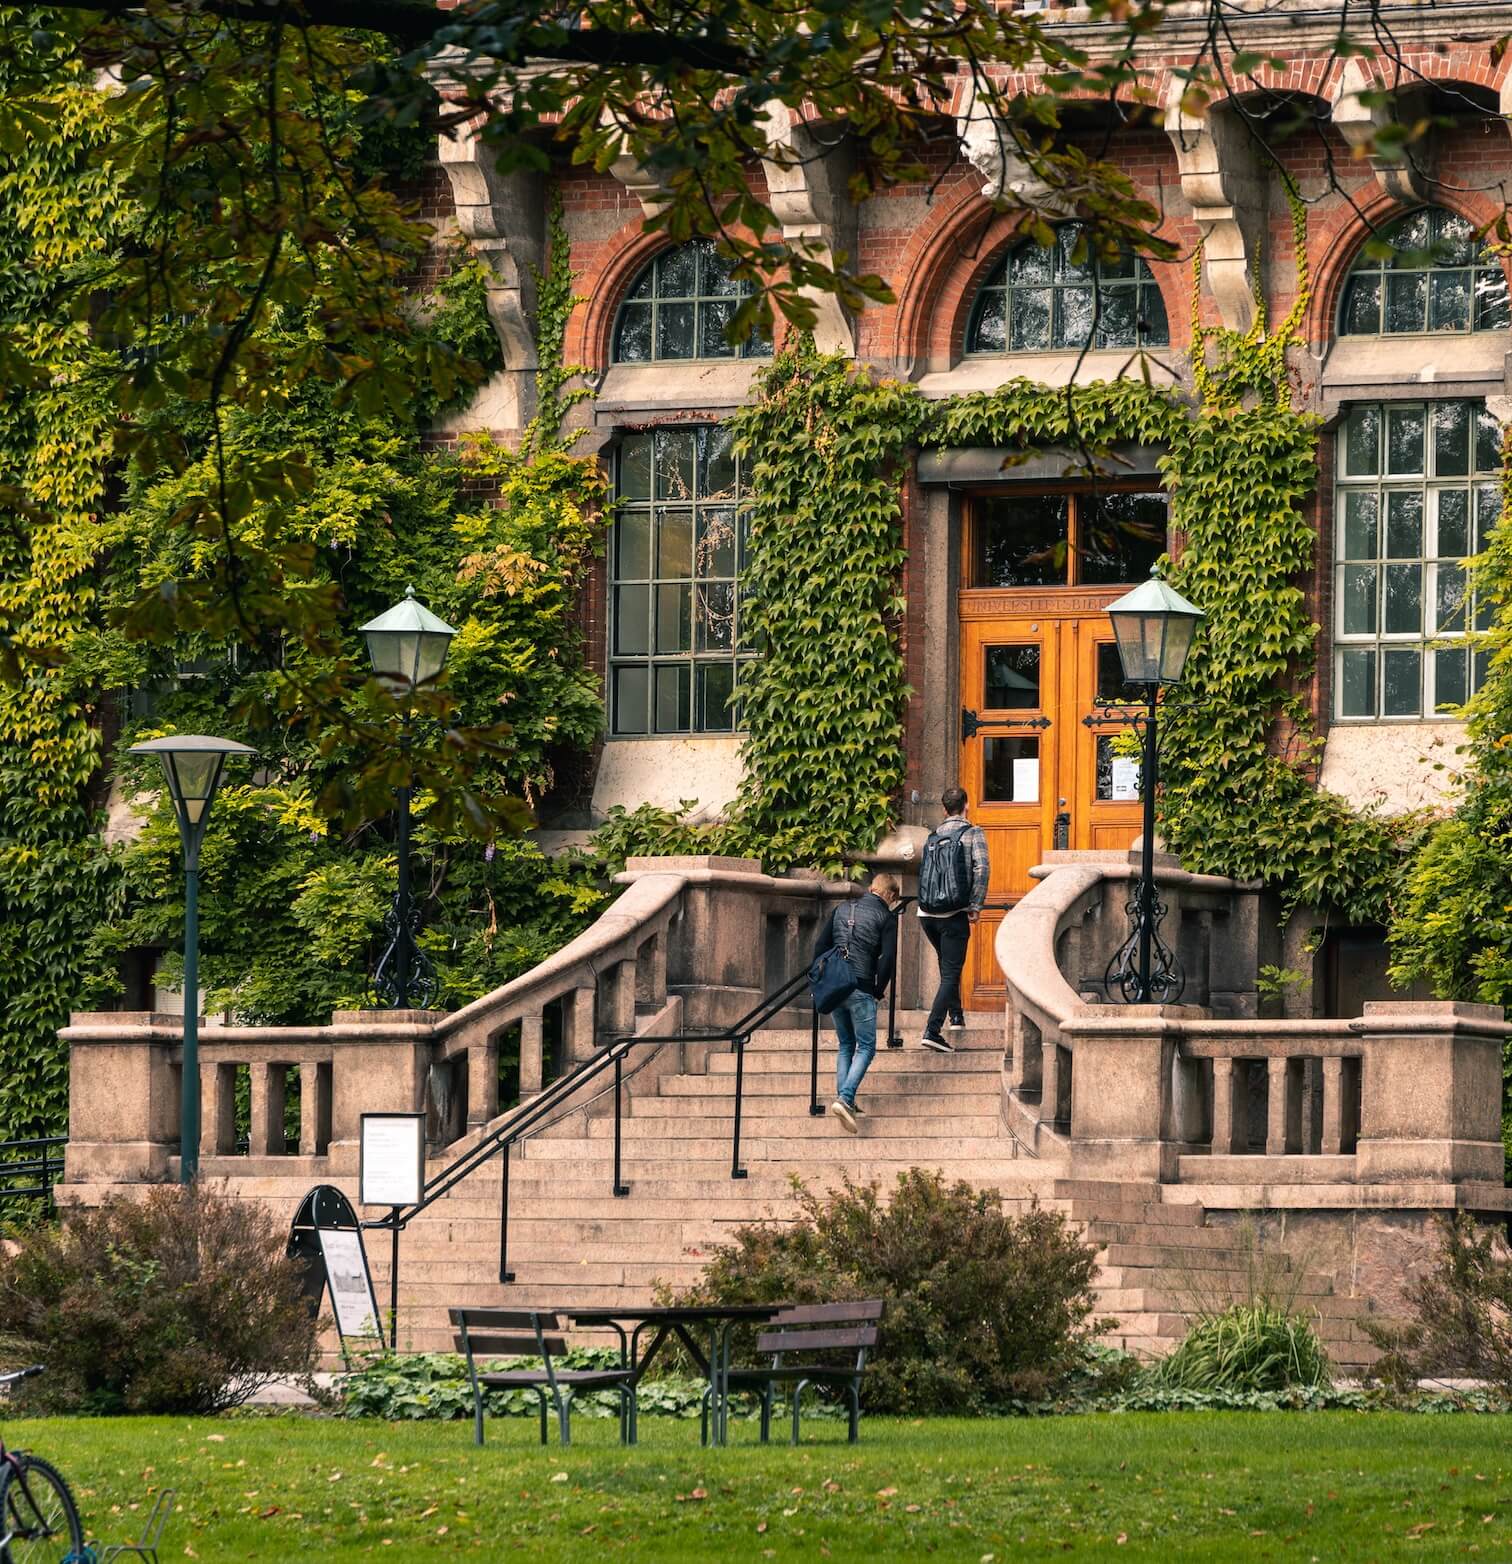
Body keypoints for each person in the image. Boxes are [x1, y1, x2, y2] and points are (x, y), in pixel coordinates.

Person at [812, 872, 901, 1134]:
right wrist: (878, 990)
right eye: (893, 899)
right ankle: (846, 1097)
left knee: (846, 1045)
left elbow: (820, 946)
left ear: (872, 887)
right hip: (861, 986)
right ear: (890, 895)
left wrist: (820, 982)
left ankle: (845, 1101)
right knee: (866, 1047)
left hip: (836, 987)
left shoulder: (842, 908)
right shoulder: (887, 916)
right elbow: (888, 959)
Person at [916, 786, 989, 1053]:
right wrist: (975, 905)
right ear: (966, 806)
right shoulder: (973, 833)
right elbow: (981, 869)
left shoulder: (932, 836)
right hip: (954, 913)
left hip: (926, 914)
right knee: (950, 972)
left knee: (948, 966)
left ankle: (956, 1015)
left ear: (945, 809)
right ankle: (932, 1031)